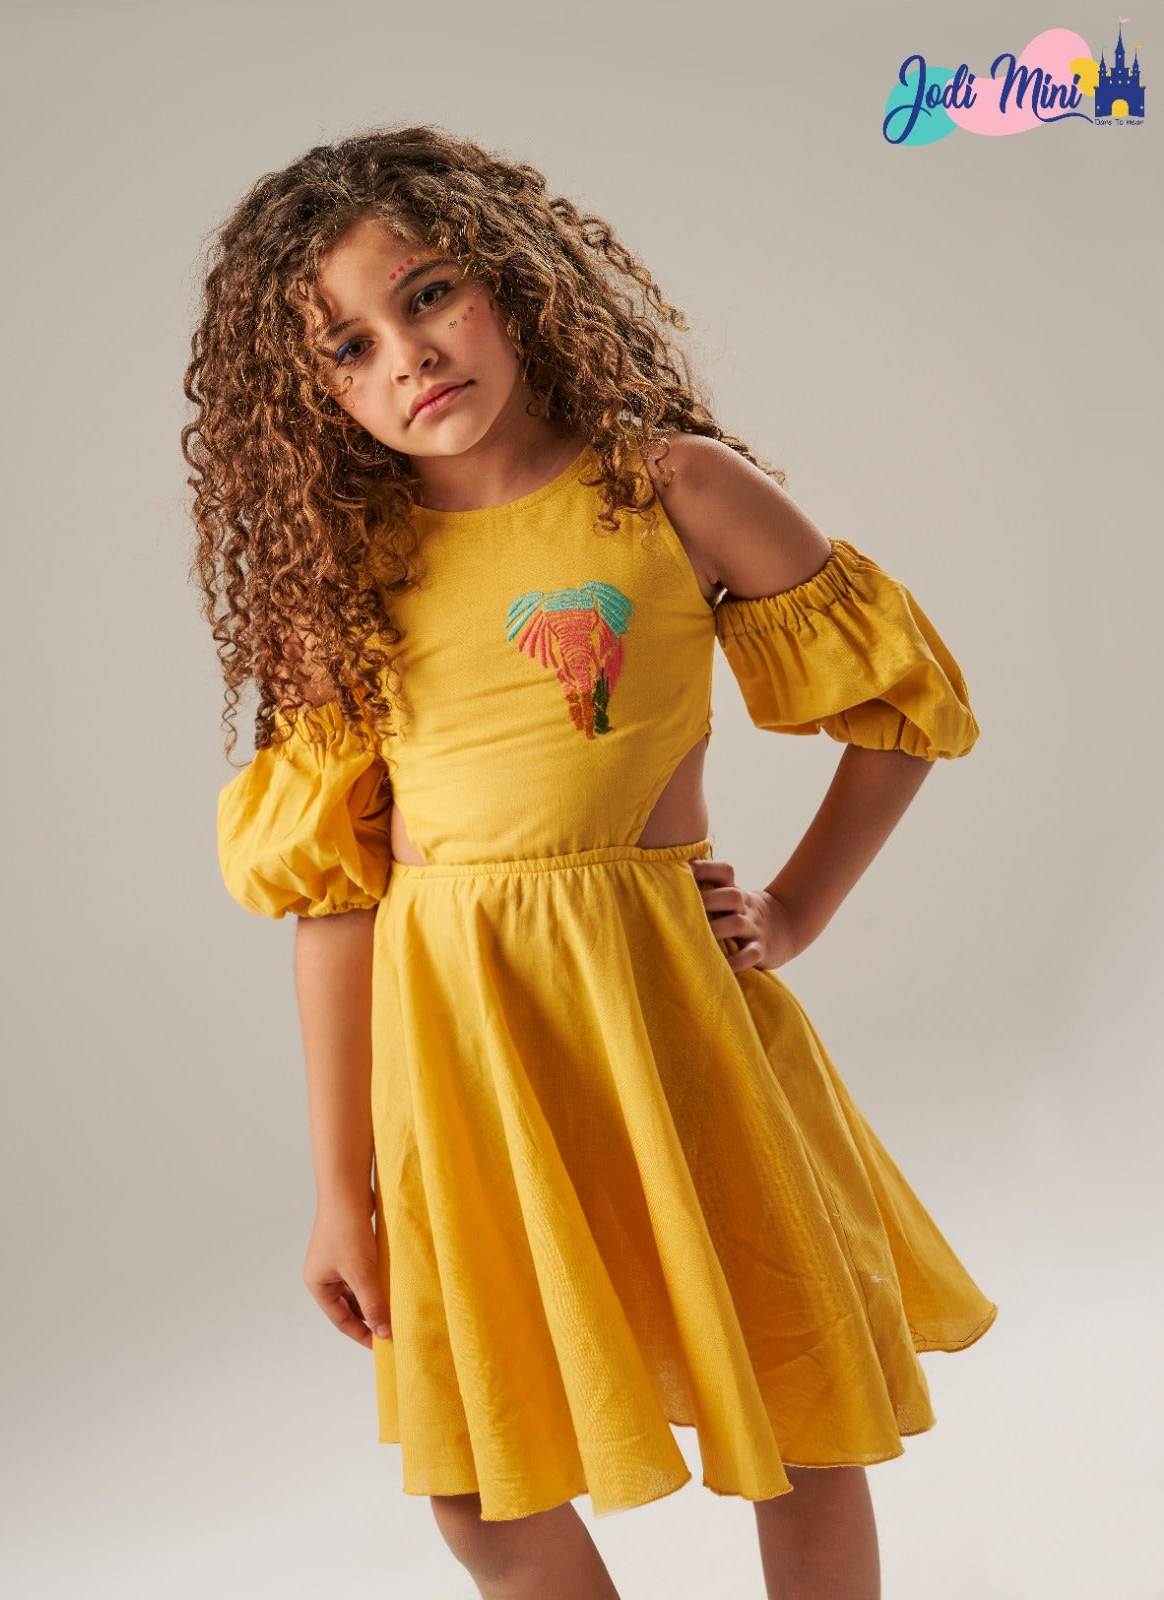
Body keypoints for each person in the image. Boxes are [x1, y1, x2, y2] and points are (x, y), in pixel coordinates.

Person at [185, 124, 997, 1600]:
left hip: (667, 1026)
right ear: (314, 397)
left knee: (801, 1428)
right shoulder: (344, 581)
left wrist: (796, 910)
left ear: (508, 276)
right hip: (464, 1072)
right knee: (481, 1490)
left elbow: (901, 708)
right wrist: (336, 1189)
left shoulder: (671, 490)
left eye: (427, 295)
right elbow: (338, 901)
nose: (410, 358)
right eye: (352, 348)